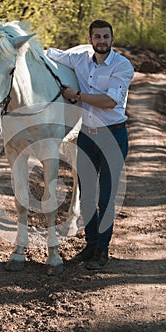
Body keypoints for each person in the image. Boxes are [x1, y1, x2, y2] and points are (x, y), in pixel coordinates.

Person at [47, 19, 134, 269]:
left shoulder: (122, 66)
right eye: (97, 37)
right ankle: (91, 244)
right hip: (87, 135)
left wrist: (77, 96)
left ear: (112, 39)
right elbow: (53, 55)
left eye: (106, 37)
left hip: (113, 136)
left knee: (105, 198)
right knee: (86, 196)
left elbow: (110, 102)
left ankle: (103, 251)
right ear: (90, 39)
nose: (102, 41)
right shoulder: (80, 60)